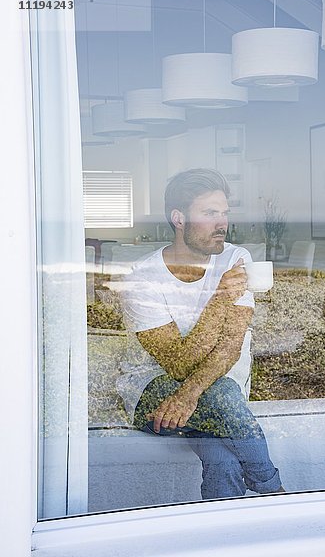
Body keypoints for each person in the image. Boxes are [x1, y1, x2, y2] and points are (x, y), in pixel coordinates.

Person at [117, 168, 282, 500]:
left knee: (222, 457)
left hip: (211, 392)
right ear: (179, 219)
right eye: (209, 213)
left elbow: (230, 346)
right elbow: (177, 364)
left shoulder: (236, 259)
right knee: (220, 396)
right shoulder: (142, 278)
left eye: (224, 213)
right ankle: (274, 491)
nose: (222, 223)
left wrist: (187, 395)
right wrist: (220, 298)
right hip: (150, 391)